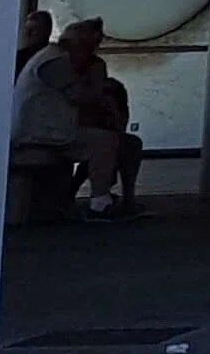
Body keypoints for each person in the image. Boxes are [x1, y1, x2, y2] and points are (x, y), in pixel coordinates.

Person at [12, 19, 145, 218]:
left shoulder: (56, 59)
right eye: (91, 46)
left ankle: (119, 200)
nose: (93, 52)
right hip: (38, 132)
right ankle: (100, 203)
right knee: (103, 142)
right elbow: (81, 97)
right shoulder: (54, 62)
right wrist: (99, 84)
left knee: (120, 142)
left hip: (52, 129)